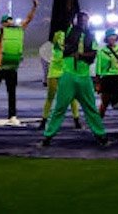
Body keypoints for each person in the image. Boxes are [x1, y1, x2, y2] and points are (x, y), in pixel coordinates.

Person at [40, 12, 109, 148]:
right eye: (81, 20)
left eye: (86, 20)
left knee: (90, 108)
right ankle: (48, 136)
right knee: (60, 108)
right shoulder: (66, 32)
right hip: (69, 75)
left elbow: (93, 54)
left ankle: (101, 135)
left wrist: (81, 55)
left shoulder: (91, 35)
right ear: (75, 21)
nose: (84, 22)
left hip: (83, 76)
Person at [0, 0, 37, 122]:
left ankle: (12, 116)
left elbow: (28, 20)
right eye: (7, 22)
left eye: (11, 21)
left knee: (12, 93)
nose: (10, 23)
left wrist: (34, 7)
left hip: (11, 67)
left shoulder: (17, 31)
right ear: (2, 23)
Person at [42, 25, 83, 130]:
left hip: (65, 73)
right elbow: (55, 43)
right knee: (50, 98)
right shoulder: (58, 36)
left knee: (72, 98)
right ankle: (44, 121)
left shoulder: (72, 38)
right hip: (54, 73)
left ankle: (76, 120)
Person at [94, 29, 118, 125]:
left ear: (116, 37)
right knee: (105, 103)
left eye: (113, 35)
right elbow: (98, 68)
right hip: (107, 79)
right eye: (109, 36)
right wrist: (97, 84)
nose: (111, 38)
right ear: (106, 38)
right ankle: (97, 124)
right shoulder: (102, 51)